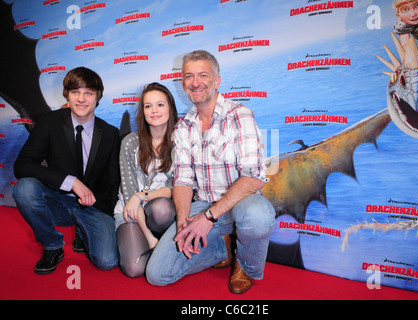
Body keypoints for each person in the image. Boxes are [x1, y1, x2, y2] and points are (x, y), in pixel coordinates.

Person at [146, 50, 276, 294]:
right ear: (182, 83)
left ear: (216, 81)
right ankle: (221, 248)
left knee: (258, 215)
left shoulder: (239, 115)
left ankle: (244, 266)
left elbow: (253, 177)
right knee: (157, 274)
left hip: (240, 204)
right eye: (189, 76)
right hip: (203, 204)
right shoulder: (183, 126)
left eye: (203, 75)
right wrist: (184, 222)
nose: (195, 82)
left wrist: (207, 219)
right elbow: (183, 180)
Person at [13, 67, 120, 274]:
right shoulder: (48, 123)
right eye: (75, 92)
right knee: (24, 189)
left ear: (98, 97)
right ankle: (52, 244)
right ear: (67, 95)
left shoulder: (110, 134)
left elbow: (113, 181)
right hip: (58, 200)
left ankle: (83, 230)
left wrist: (111, 215)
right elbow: (23, 165)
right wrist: (69, 181)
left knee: (107, 261)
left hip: (92, 205)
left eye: (88, 93)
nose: (81, 99)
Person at [114, 82, 178, 278]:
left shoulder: (180, 141)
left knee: (163, 209)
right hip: (131, 211)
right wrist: (150, 239)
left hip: (158, 209)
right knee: (135, 269)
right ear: (142, 111)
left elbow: (173, 188)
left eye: (160, 105)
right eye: (148, 106)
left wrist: (141, 195)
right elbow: (129, 194)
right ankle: (149, 240)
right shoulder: (130, 142)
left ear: (170, 108)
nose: (154, 111)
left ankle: (162, 240)